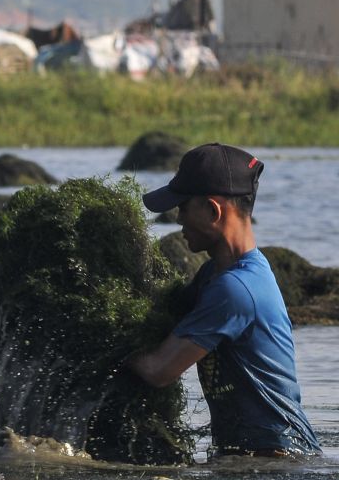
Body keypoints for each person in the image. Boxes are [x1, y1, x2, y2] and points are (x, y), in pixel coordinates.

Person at [125, 142, 321, 457]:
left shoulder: (236, 289)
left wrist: (107, 351)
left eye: (183, 207)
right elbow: (165, 316)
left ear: (214, 211)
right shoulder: (213, 275)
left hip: (277, 460)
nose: (178, 220)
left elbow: (158, 370)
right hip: (250, 457)